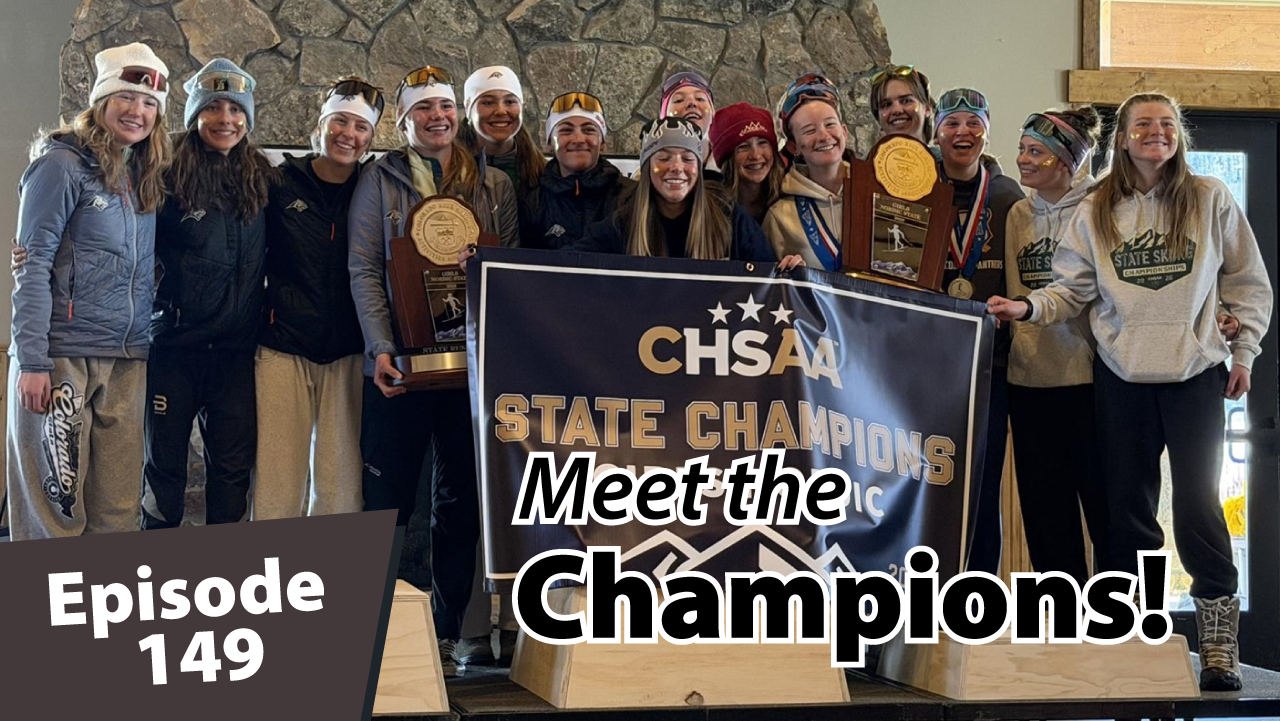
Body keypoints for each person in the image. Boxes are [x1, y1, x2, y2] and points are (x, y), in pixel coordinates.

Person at [988, 92, 1272, 692]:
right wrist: (1027, 306)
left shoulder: (1209, 198)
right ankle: (1139, 638)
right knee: (1130, 520)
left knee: (1198, 509)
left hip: (1195, 377)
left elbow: (1248, 282)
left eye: (1167, 124)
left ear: (1178, 137)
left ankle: (1219, 642)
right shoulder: (1097, 211)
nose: (1156, 133)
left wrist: (1242, 349)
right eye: (1144, 124)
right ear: (1122, 138)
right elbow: (1072, 288)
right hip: (1119, 378)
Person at [347, 65, 517, 674]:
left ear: (458, 114)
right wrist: (380, 346)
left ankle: (446, 635)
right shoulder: (379, 178)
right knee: (387, 499)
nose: (437, 117)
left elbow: (510, 273)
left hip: (470, 371)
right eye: (424, 109)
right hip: (401, 365)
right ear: (404, 119)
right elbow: (365, 267)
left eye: (445, 106)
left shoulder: (492, 185)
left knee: (461, 503)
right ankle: (372, 636)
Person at [7, 43, 170, 539]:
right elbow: (30, 266)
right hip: (61, 357)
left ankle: (104, 611)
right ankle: (40, 612)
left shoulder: (143, 175)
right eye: (127, 98)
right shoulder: (60, 165)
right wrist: (33, 361)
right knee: (55, 507)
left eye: (149, 104)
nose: (137, 112)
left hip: (126, 358)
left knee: (118, 509)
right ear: (101, 100)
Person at [141, 59, 277, 530]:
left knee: (231, 478)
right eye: (213, 107)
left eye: (235, 109)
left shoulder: (263, 176)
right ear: (195, 114)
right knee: (164, 477)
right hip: (174, 351)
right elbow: (124, 242)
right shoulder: (163, 170)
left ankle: (225, 587)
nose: (226, 119)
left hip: (236, 355)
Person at [250, 78, 383, 520]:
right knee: (277, 486)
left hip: (348, 349)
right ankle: (270, 584)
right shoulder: (279, 182)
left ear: (372, 138)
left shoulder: (375, 187)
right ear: (321, 125)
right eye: (339, 122)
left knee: (341, 487)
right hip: (283, 345)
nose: (348, 134)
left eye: (360, 127)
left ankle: (331, 584)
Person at [1004, 106, 1107, 586]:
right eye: (1023, 149)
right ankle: (1061, 629)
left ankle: (1118, 628)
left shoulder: (1101, 207)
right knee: (1047, 517)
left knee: (1107, 513)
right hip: (1030, 380)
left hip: (1092, 380)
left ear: (1066, 162)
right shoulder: (1018, 214)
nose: (1022, 160)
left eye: (1035, 152)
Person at [933, 87, 1025, 576]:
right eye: (952, 123)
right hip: (926, 369)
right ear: (937, 131)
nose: (963, 132)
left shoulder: (1009, 196)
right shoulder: (915, 187)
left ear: (987, 128)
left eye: (973, 122)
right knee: (929, 483)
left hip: (991, 367)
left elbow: (1024, 279)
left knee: (984, 486)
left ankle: (980, 594)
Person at [574, 117, 786, 264]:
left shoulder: (729, 218)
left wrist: (791, 272)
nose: (676, 167)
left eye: (687, 158)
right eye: (664, 158)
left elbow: (769, 275)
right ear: (647, 168)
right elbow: (564, 265)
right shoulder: (623, 222)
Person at [763, 73, 857, 270]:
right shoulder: (780, 216)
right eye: (809, 131)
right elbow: (771, 290)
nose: (823, 136)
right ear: (794, 147)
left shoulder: (875, 193)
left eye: (830, 124)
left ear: (844, 132)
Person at [517, 91, 633, 249]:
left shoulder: (630, 197)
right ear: (549, 143)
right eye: (566, 130)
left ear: (603, 143)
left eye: (589, 130)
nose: (578, 139)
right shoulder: (535, 203)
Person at [460, 65, 545, 195]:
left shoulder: (544, 173)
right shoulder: (451, 170)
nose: (500, 111)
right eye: (488, 103)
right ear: (468, 110)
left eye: (510, 102)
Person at [710, 103, 784, 226]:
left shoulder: (789, 193)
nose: (755, 155)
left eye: (762, 143)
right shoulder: (713, 207)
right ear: (728, 159)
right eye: (743, 147)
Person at [658, 71, 719, 175]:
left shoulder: (732, 169)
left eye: (700, 98)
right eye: (679, 100)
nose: (692, 103)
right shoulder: (648, 176)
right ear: (664, 117)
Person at [869, 64, 935, 143]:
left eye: (906, 101)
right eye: (886, 104)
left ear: (928, 108)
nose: (896, 110)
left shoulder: (946, 155)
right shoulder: (871, 156)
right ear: (878, 119)